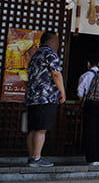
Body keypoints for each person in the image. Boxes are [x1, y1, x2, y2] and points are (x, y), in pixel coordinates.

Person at [24, 31, 65, 167]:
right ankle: (36, 158)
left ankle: (31, 157)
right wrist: (62, 91)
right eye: (57, 42)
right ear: (52, 41)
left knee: (33, 129)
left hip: (32, 97)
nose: (58, 45)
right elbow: (56, 73)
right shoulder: (50, 54)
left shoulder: (35, 54)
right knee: (41, 129)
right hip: (45, 97)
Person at [76, 56, 99, 166]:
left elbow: (80, 93)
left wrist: (82, 104)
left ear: (88, 63)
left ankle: (91, 158)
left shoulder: (85, 75)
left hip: (90, 104)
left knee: (90, 131)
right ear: (98, 63)